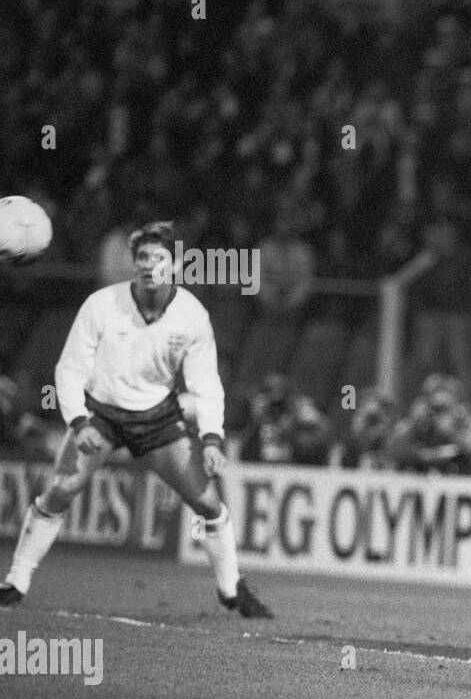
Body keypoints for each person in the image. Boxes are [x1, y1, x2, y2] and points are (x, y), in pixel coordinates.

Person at [0, 222, 271, 617]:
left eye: (158, 258)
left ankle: (232, 591)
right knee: (60, 491)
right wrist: (79, 423)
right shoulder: (100, 305)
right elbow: (69, 370)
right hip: (101, 415)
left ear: (175, 265)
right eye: (142, 257)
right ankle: (15, 583)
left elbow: (207, 383)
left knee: (209, 504)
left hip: (157, 419)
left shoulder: (192, 316)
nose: (148, 265)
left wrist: (212, 440)